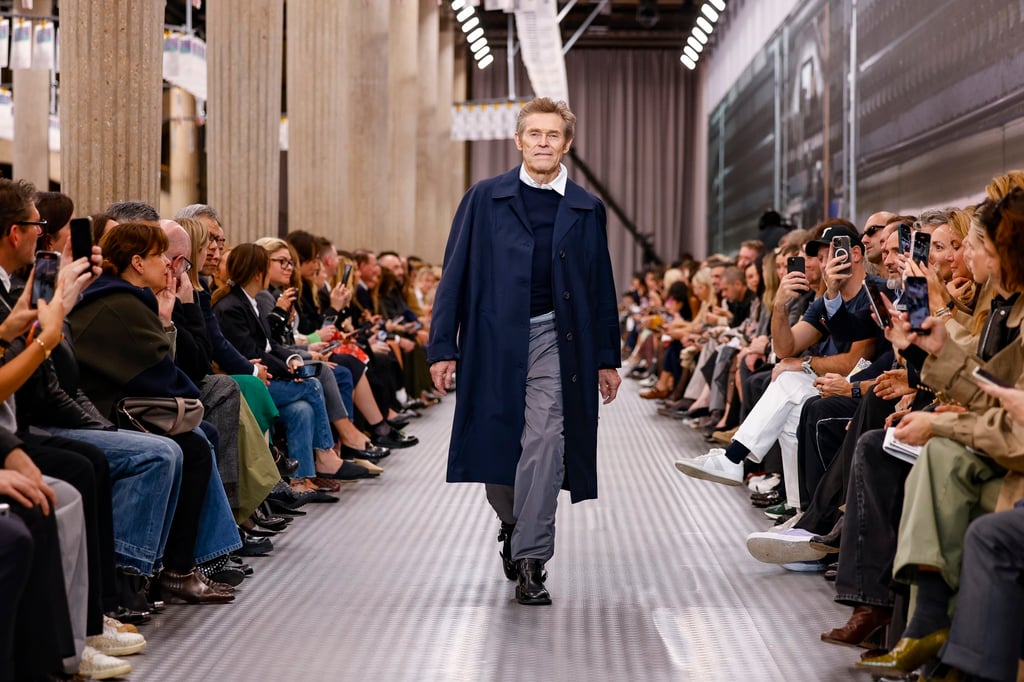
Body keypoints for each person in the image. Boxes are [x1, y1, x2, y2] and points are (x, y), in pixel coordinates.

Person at [428, 97, 621, 606]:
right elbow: (454, 276)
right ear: (518, 141)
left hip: (559, 340)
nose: (542, 142)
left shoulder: (585, 207)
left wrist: (607, 357)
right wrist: (441, 347)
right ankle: (513, 523)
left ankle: (533, 559)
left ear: (567, 144)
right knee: (498, 455)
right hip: (493, 340)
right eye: (533, 134)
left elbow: (601, 286)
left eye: (552, 135)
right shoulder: (484, 198)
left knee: (545, 443)